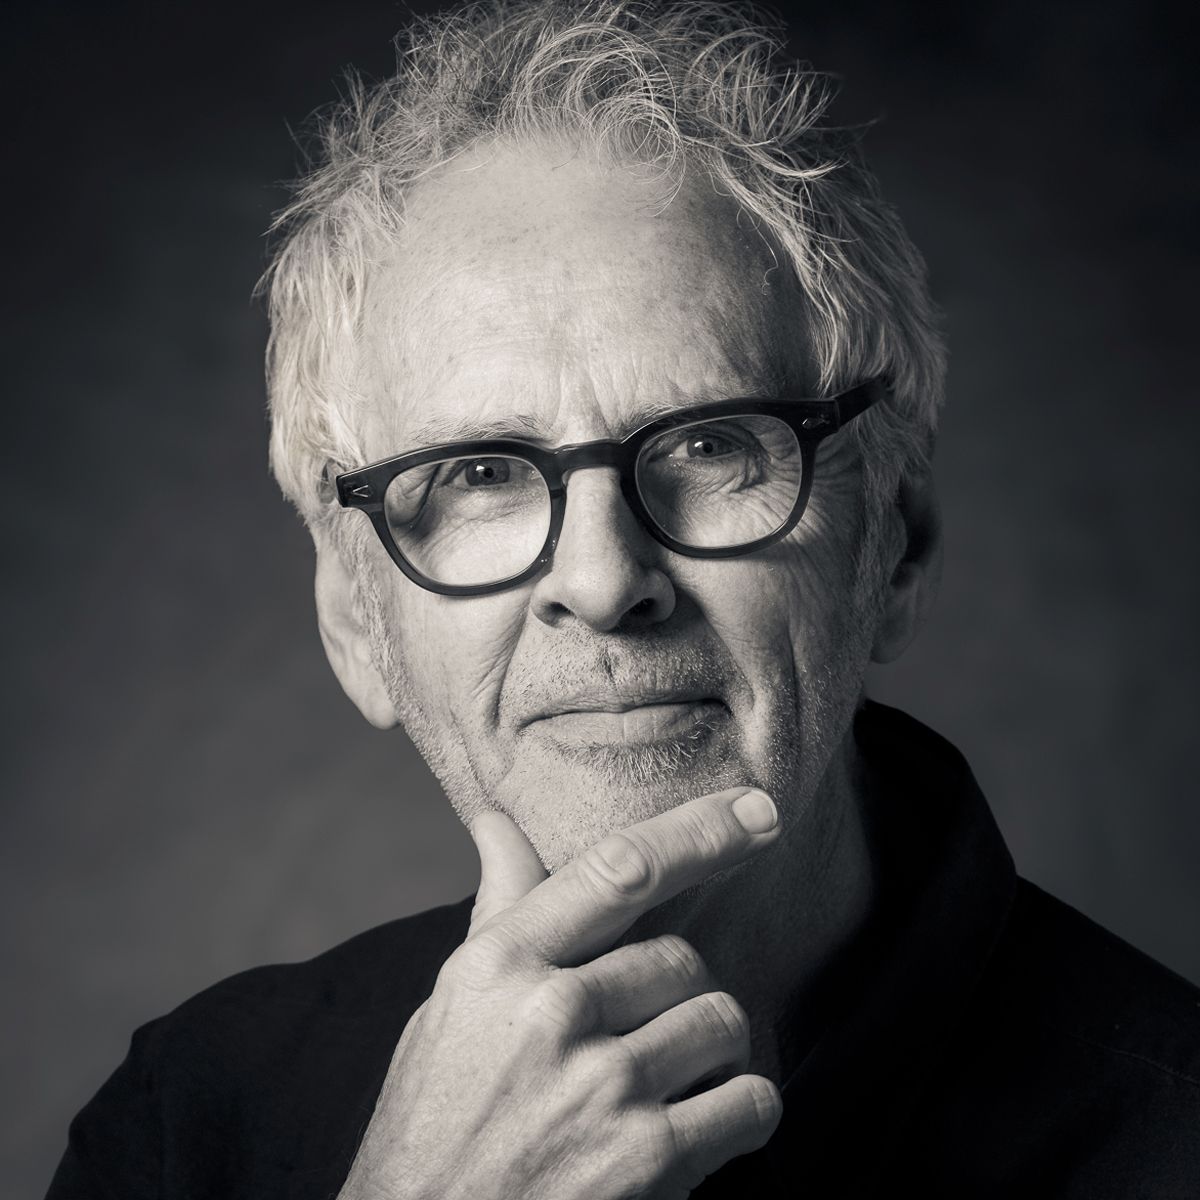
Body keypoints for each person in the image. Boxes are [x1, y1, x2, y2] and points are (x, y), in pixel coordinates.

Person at [47, 1, 1200, 1197]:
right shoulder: (186, 1126)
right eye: (479, 474)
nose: (601, 582)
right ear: (356, 618)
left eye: (709, 448)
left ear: (894, 548)